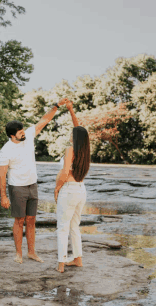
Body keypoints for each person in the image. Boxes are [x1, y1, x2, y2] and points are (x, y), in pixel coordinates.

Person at [0, 98, 69, 264]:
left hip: (32, 185)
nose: (23, 133)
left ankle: (31, 252)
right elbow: (2, 175)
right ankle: (18, 254)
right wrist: (3, 196)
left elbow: (44, 120)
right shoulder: (5, 151)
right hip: (16, 187)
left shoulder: (28, 136)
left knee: (31, 220)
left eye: (23, 130)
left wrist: (57, 106)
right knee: (19, 220)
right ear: (12, 135)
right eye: (19, 132)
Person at [54, 101, 90, 273]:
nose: (70, 134)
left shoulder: (70, 150)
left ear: (75, 138)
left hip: (68, 190)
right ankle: (77, 259)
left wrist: (56, 188)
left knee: (62, 226)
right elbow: (80, 129)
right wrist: (71, 110)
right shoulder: (84, 150)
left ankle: (61, 263)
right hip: (81, 190)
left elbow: (65, 172)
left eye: (71, 134)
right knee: (74, 226)